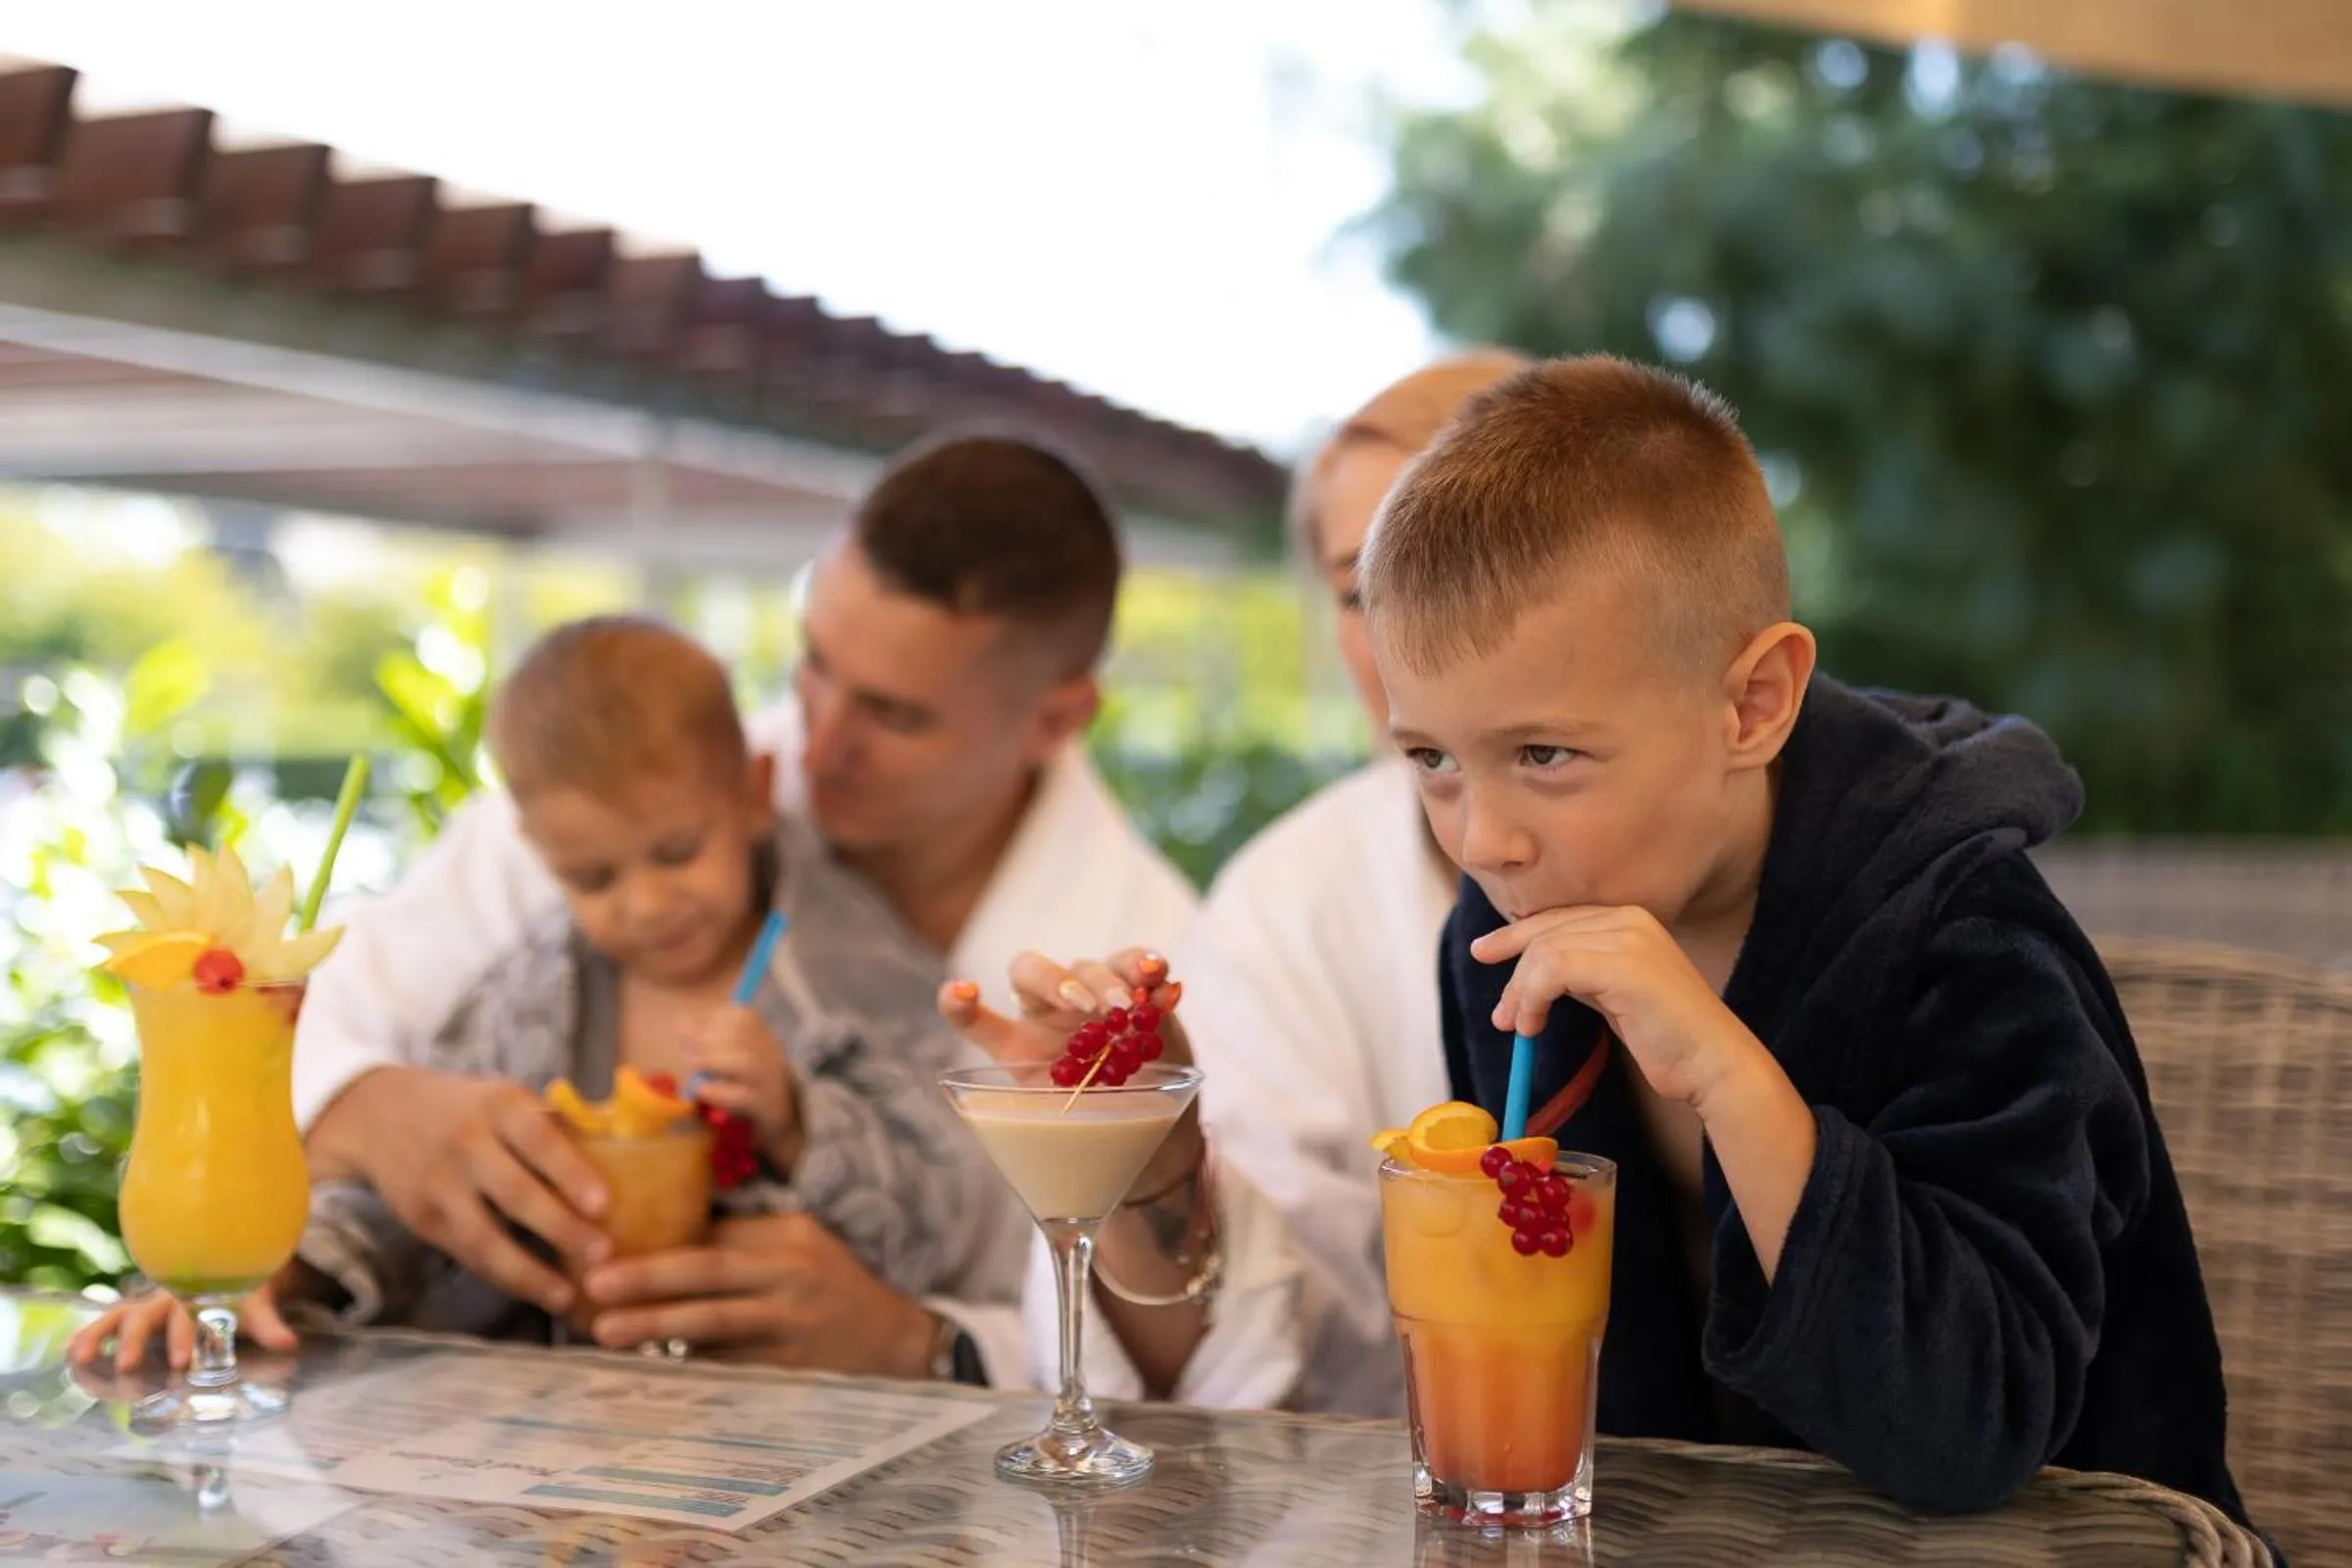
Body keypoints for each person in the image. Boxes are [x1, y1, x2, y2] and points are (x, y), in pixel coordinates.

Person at [1356, 353, 2250, 1522]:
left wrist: (1726, 1068)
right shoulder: (1507, 941)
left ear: (1754, 704)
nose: (1482, 841)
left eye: (1545, 756)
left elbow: (1969, 1434)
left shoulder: (1968, 941)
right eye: (1432, 760)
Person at [268, 432, 1277, 1396]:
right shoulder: (651, 778)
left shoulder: (1152, 960)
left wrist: (922, 1344)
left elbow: (1225, 1358)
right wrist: (368, 1105)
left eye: (893, 714)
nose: (818, 740)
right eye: (813, 663)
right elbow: (325, 1020)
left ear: (1055, 720)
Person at [71, 615, 1004, 1366]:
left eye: (678, 852)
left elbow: (942, 1218)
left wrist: (801, 1125)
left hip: (780, 1437)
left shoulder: (864, 980)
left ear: (754, 794)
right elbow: (421, 1204)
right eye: (594, 878)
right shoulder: (530, 996)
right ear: (536, 853)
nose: (645, 904)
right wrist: (285, 1275)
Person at [1175, 351, 1528, 1414]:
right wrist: (1153, 1177)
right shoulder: (1284, 899)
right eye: (1354, 587)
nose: (1401, 627)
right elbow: (1279, 1312)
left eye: (1457, 566)